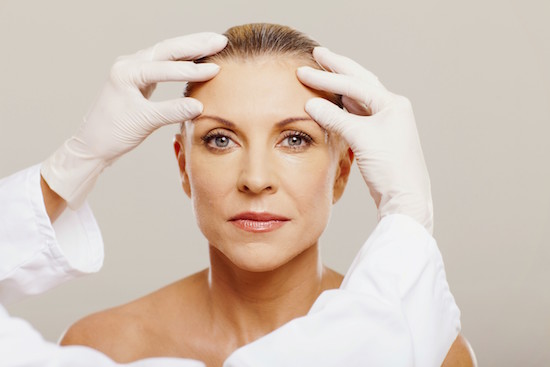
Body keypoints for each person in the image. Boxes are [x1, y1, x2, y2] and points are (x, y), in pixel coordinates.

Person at [0, 26, 469, 367]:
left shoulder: (430, 346)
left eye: (295, 140)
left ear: (344, 170)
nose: (256, 179)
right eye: (221, 139)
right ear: (183, 166)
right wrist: (73, 162)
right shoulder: (104, 346)